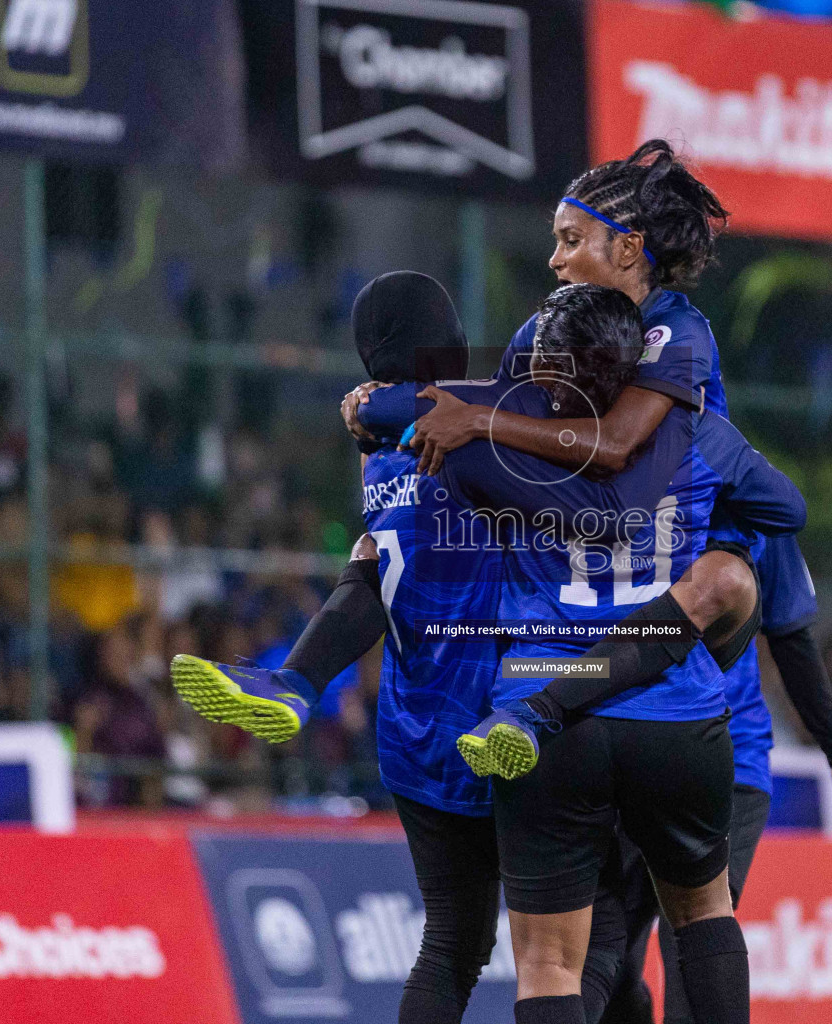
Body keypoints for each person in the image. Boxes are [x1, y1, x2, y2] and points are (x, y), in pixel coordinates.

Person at [348, 139, 832, 1021]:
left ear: (628, 247)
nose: (553, 260)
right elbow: (775, 500)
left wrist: (397, 407)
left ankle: (531, 707)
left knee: (555, 955)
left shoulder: (670, 334)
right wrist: (732, 515)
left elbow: (584, 439)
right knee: (685, 917)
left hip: (553, 696)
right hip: (679, 707)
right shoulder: (683, 428)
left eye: (569, 239)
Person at [171, 273, 631, 1024]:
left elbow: (373, 565)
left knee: (451, 944)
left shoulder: (379, 454)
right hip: (518, 711)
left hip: (417, 729)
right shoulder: (479, 426)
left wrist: (366, 405)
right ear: (444, 338)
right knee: (587, 941)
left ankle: (295, 680)